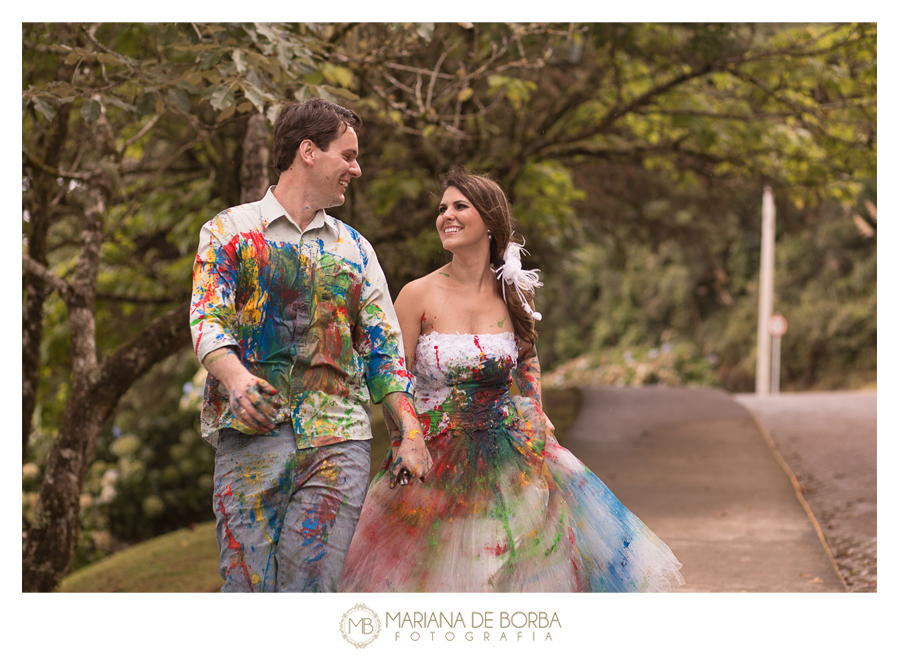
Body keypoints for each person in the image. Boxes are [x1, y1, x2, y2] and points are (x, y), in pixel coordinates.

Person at [339, 169, 684, 592]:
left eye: (459, 206)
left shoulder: (513, 292)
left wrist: (537, 409)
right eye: (442, 208)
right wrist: (402, 440)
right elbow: (392, 375)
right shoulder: (417, 294)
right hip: (433, 459)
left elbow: (527, 358)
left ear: (489, 219)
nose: (446, 215)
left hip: (509, 453)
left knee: (513, 569)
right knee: (438, 583)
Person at [190, 98, 432, 593]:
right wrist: (236, 379)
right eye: (347, 155)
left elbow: (385, 352)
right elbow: (207, 320)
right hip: (251, 440)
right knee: (248, 591)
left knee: (313, 594)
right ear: (307, 151)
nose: (356, 169)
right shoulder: (229, 232)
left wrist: (410, 430)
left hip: (338, 443)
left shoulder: (356, 249)